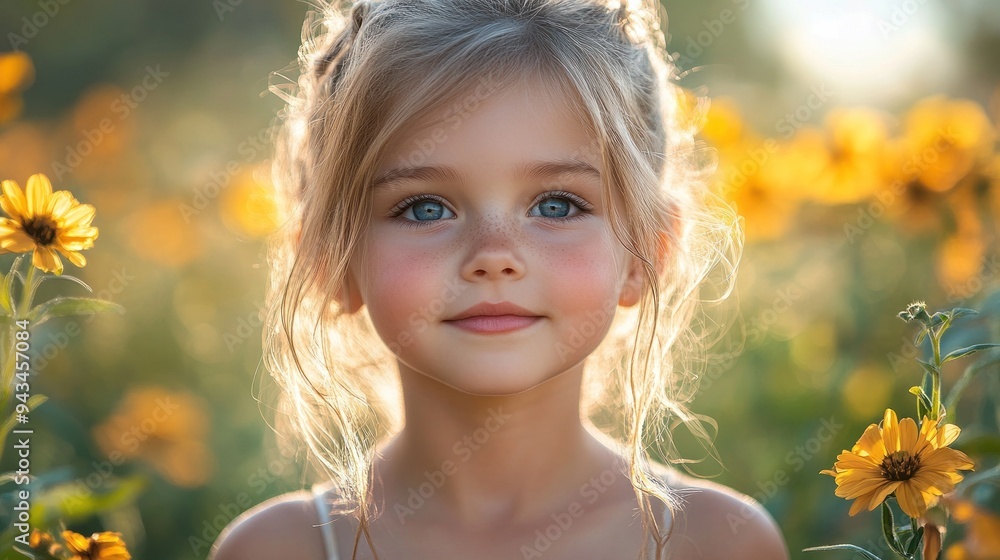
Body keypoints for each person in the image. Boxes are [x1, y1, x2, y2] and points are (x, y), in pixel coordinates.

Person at [211, 0, 788, 558]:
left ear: (646, 253)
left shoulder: (719, 543)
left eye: (557, 205)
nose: (494, 256)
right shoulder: (277, 550)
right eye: (425, 207)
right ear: (329, 258)